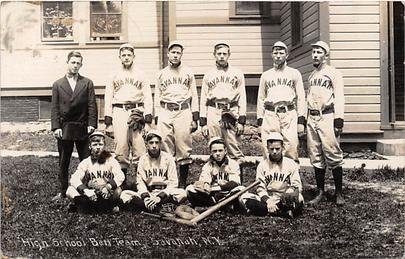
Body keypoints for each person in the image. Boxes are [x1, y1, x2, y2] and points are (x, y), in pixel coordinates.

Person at [104, 43, 153, 187]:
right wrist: (108, 122)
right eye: (123, 55)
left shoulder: (141, 74)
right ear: (119, 57)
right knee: (121, 148)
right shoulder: (113, 74)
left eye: (129, 55)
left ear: (134, 57)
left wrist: (147, 118)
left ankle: (140, 183)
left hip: (136, 111)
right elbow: (108, 97)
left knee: (139, 147)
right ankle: (123, 183)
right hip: (119, 110)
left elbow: (148, 96)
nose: (126, 58)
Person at [51, 50, 97, 201]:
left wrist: (91, 124)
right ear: (67, 63)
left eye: (78, 63)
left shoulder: (87, 82)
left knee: (86, 160)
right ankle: (63, 191)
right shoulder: (58, 84)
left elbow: (91, 105)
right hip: (65, 128)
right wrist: (56, 127)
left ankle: (89, 189)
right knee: (64, 161)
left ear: (81, 65)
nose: (75, 66)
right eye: (73, 62)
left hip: (82, 126)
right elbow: (55, 108)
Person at [155, 41, 199, 188]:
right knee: (165, 145)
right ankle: (169, 181)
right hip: (166, 110)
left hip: (183, 110)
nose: (175, 55)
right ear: (168, 54)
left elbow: (194, 95)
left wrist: (195, 116)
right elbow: (157, 95)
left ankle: (182, 183)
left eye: (178, 52)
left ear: (181, 55)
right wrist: (157, 116)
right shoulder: (161, 73)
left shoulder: (188, 72)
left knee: (183, 146)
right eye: (172, 52)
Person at [306, 41, 345, 206]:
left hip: (327, 116)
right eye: (313, 52)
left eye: (319, 52)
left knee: (333, 153)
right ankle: (320, 191)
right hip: (312, 117)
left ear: (325, 55)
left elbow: (340, 96)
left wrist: (338, 120)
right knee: (315, 154)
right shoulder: (312, 76)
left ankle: (339, 192)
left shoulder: (333, 73)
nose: (315, 55)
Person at [257, 41, 306, 163]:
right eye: (275, 53)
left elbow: (301, 97)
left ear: (287, 55)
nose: (278, 55)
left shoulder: (294, 73)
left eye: (281, 53)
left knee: (291, 146)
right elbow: (261, 98)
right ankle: (270, 176)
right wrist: (259, 122)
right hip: (270, 114)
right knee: (269, 146)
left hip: (288, 113)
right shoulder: (266, 75)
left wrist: (301, 120)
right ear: (272, 55)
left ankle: (291, 178)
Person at [199, 41, 247, 165]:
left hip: (231, 110)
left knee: (233, 146)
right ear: (214, 54)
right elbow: (203, 98)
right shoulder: (208, 74)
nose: (221, 56)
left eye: (224, 54)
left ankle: (237, 181)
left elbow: (242, 97)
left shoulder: (237, 73)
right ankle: (216, 178)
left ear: (229, 55)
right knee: (215, 145)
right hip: (213, 110)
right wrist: (203, 123)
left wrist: (241, 120)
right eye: (219, 53)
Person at [239, 132, 304, 218]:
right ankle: (281, 213)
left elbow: (296, 185)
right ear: (267, 149)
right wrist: (268, 201)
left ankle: (265, 211)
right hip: (268, 198)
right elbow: (260, 188)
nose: (274, 152)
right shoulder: (262, 165)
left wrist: (289, 192)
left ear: (283, 148)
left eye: (277, 149)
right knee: (244, 197)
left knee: (299, 198)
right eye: (271, 149)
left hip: (284, 198)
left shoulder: (291, 163)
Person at [120, 130, 187, 212]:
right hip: (149, 192)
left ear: (160, 144)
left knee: (182, 193)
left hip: (164, 193)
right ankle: (158, 207)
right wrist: (146, 197)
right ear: (146, 144)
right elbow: (140, 182)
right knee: (124, 194)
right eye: (151, 143)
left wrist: (159, 197)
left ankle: (146, 207)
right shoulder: (143, 159)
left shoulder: (168, 158)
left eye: (157, 142)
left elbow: (173, 182)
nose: (154, 146)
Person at [66, 131, 125, 212]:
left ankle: (86, 207)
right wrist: (86, 191)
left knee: (118, 190)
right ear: (90, 146)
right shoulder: (86, 162)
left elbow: (120, 176)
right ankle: (93, 206)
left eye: (100, 144)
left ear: (104, 146)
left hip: (107, 193)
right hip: (91, 193)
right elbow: (74, 178)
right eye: (95, 145)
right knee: (70, 190)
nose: (98, 147)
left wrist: (108, 187)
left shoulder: (111, 160)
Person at [186, 137, 244, 210]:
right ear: (211, 152)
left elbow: (235, 183)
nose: (218, 154)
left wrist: (215, 188)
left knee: (241, 189)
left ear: (225, 151)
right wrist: (204, 185)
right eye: (214, 151)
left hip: (227, 193)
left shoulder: (233, 164)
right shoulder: (208, 165)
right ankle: (222, 206)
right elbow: (204, 181)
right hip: (211, 195)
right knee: (190, 189)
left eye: (220, 151)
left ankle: (209, 206)